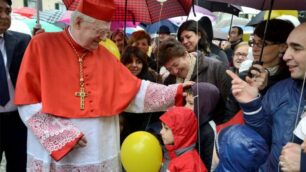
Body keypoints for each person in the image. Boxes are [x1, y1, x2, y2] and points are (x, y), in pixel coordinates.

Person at [14, 0, 191, 171]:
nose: (105, 37)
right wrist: (61, 135)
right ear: (78, 22)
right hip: (56, 157)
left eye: (107, 31)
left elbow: (135, 91)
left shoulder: (106, 56)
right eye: (99, 31)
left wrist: (176, 92)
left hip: (98, 152)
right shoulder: (42, 45)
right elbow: (26, 100)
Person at [226, 22, 306, 171]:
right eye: (253, 42)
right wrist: (251, 104)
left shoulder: (281, 82)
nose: (287, 55)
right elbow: (266, 137)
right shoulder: (280, 90)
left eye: (296, 48)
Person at [0, 0, 31, 171]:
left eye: (8, 11)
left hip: (17, 120)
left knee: (20, 166)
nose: (5, 16)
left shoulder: (23, 41)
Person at [159, 106, 208, 172]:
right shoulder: (168, 152)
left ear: (181, 132)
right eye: (162, 127)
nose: (161, 132)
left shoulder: (190, 166)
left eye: (166, 128)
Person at [184, 83, 220, 171]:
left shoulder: (209, 131)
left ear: (204, 105)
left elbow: (210, 166)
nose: (185, 107)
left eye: (191, 103)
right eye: (185, 102)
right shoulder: (192, 121)